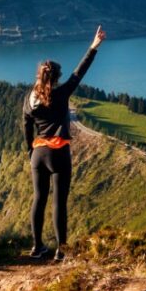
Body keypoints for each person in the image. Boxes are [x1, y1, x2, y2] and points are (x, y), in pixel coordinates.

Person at [23, 25, 107, 261]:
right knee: (59, 202)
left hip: (38, 154)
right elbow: (79, 73)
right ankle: (62, 251)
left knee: (38, 199)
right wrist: (93, 46)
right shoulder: (61, 95)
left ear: (39, 76)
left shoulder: (29, 100)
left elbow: (26, 127)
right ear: (57, 77)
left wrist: (30, 150)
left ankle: (37, 247)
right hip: (59, 153)